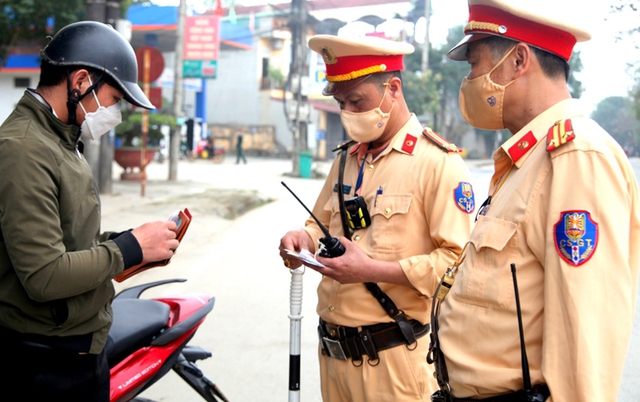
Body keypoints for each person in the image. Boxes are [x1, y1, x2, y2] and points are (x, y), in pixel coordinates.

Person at [430, 1, 640, 401]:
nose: (470, 80)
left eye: (475, 65)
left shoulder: (576, 158)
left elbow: (585, 336)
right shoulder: (527, 159)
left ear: (517, 60)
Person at [278, 35, 475, 401]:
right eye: (341, 103)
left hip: (393, 364)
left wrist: (372, 271)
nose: (349, 112)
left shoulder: (438, 164)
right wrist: (301, 239)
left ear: (393, 88)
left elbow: (457, 267)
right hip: (334, 358)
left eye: (358, 101)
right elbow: (317, 223)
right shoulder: (347, 159)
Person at [0, 21, 180, 401]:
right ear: (80, 81)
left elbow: (72, 240)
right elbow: (44, 275)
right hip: (45, 361)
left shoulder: (61, 140)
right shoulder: (24, 150)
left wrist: (134, 244)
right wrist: (127, 249)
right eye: (114, 100)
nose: (114, 113)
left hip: (80, 348)